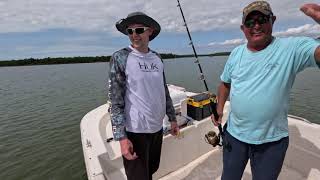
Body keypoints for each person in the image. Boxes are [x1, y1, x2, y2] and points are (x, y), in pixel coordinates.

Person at [211, 1, 320, 180]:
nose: (256, 26)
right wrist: (219, 109)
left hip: (271, 142)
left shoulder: (291, 48)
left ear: (273, 20)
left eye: (262, 19)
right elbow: (225, 84)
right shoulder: (236, 53)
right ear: (242, 28)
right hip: (234, 135)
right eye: (250, 22)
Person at [108, 12, 179, 180]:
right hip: (135, 131)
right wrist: (122, 138)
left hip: (157, 128)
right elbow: (115, 101)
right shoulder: (120, 57)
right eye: (129, 31)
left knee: (151, 169)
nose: (134, 35)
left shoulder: (157, 58)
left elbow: (163, 90)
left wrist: (172, 118)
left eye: (139, 30)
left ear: (150, 31)